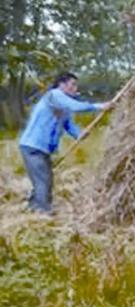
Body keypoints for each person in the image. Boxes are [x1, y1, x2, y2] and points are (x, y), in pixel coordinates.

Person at [18, 72, 110, 214]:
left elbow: (68, 125)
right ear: (62, 84)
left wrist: (79, 134)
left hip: (44, 148)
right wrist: (98, 106)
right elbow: (77, 107)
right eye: (72, 84)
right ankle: (42, 213)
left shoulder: (64, 106)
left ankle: (34, 206)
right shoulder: (54, 95)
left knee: (45, 178)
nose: (75, 88)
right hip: (33, 146)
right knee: (43, 180)